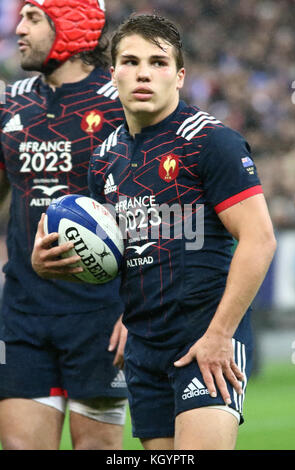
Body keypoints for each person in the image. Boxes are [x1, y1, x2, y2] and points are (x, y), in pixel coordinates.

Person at [34, 13, 277, 450]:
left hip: (206, 336)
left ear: (180, 76)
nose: (143, 72)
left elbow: (260, 240)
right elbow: (114, 255)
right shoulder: (105, 160)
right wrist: (52, 264)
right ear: (113, 75)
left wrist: (220, 336)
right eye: (130, 61)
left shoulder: (211, 142)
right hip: (143, 350)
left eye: (158, 62)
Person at [0, 0, 128, 450]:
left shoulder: (122, 103)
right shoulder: (12, 103)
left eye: (33, 18)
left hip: (101, 313)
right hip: (23, 311)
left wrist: (137, 309)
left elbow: (163, 207)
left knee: (96, 449)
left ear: (72, 25)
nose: (19, 28)